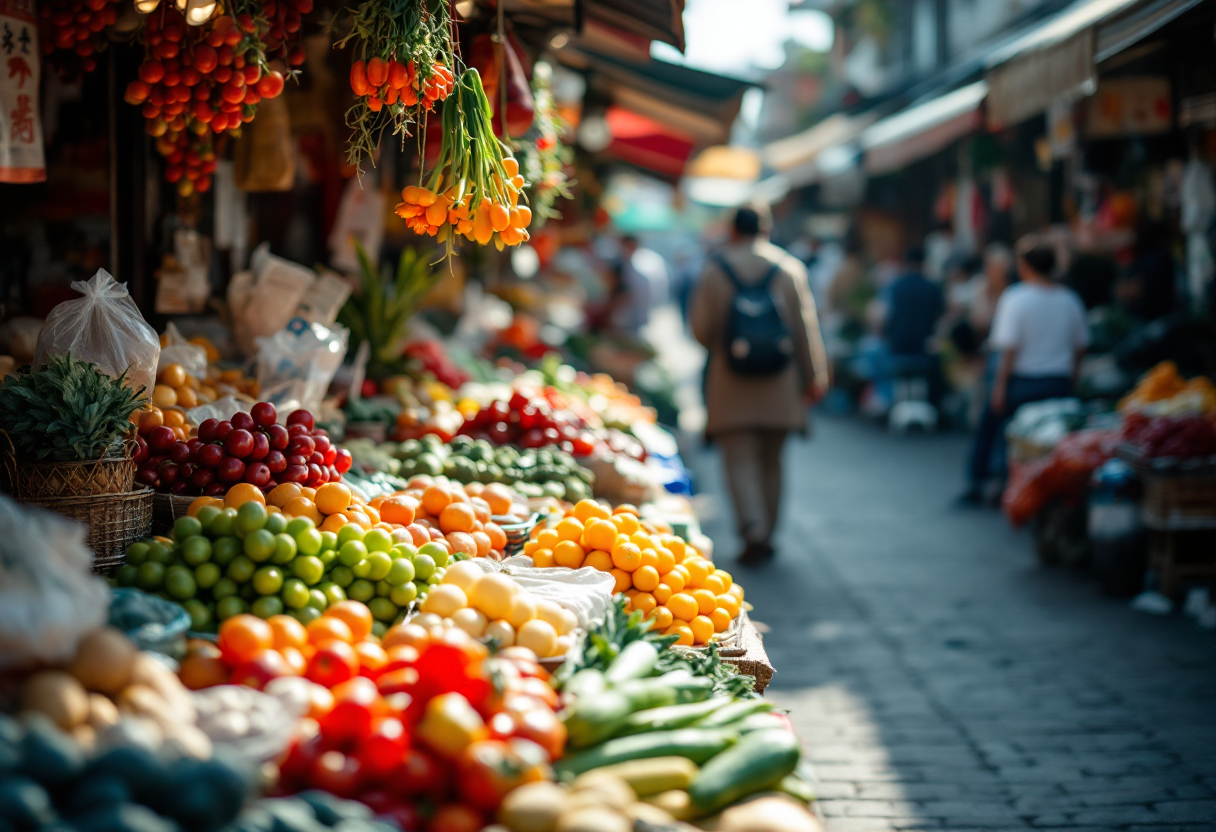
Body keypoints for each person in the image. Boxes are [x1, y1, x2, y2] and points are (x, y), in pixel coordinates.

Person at [691, 204, 829, 566]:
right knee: (773, 461)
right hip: (780, 385)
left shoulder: (714, 269)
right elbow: (806, 329)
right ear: (766, 229)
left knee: (739, 460)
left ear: (733, 230)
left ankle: (751, 529)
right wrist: (815, 377)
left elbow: (700, 330)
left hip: (730, 384)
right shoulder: (789, 268)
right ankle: (769, 531)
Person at [959, 238, 1090, 505]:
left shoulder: (1015, 298)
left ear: (1024, 266)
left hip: (1022, 385)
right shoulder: (1069, 299)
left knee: (988, 425)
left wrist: (998, 388)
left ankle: (979, 481)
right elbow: (1080, 347)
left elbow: (1007, 350)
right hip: (1059, 384)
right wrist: (1072, 378)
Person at [611, 235, 669, 336]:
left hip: (632, 317)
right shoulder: (627, 263)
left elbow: (641, 293)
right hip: (627, 318)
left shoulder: (640, 265)